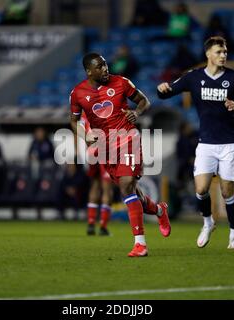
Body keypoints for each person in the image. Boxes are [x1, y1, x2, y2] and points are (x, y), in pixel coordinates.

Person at [157, 36, 234, 249]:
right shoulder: (194, 77)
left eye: (225, 52)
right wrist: (162, 88)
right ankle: (208, 223)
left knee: (227, 192)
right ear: (208, 54)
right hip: (206, 143)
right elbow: (167, 92)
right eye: (219, 52)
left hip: (229, 143)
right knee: (201, 189)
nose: (223, 55)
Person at [70, 52, 171, 257]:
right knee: (131, 192)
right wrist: (85, 135)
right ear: (89, 71)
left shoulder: (121, 82)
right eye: (100, 66)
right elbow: (73, 121)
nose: (105, 69)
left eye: (106, 65)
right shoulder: (78, 93)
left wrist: (137, 112)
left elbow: (144, 101)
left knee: (126, 185)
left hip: (128, 139)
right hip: (104, 148)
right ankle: (160, 210)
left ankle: (140, 244)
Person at [79, 112, 114, 236]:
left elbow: (80, 126)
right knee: (106, 189)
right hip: (105, 150)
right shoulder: (107, 106)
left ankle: (91, 224)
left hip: (91, 150)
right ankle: (103, 227)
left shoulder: (86, 109)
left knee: (94, 186)